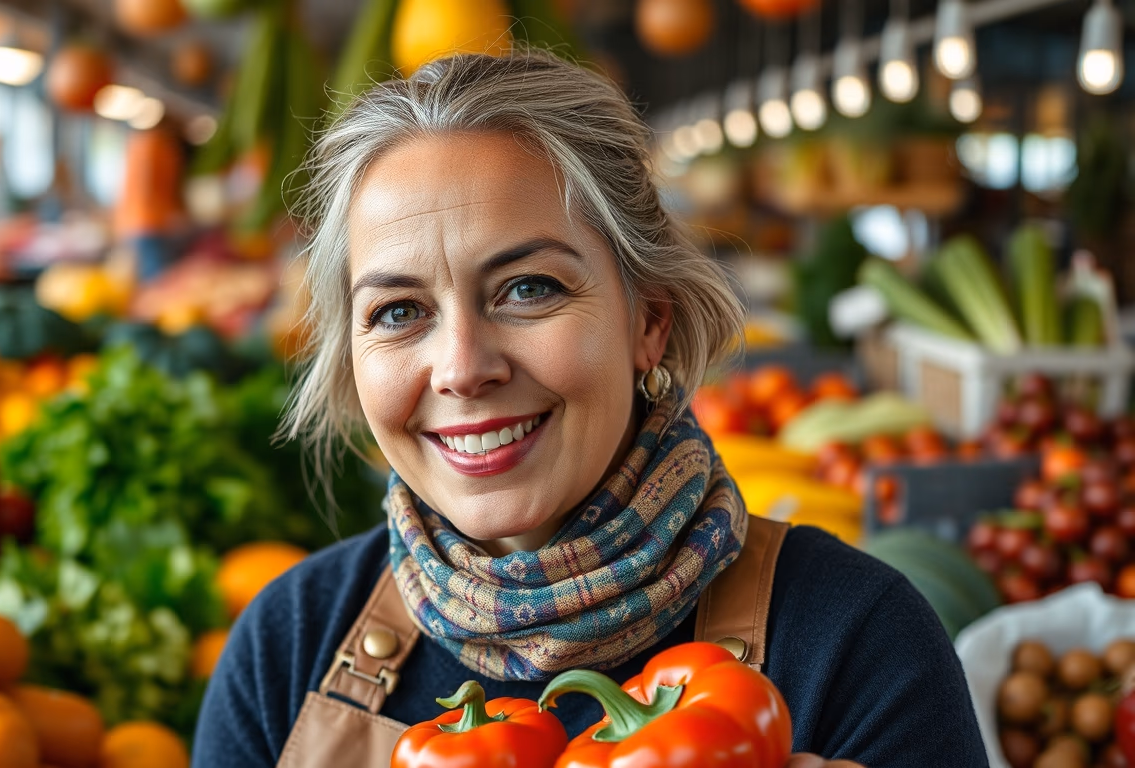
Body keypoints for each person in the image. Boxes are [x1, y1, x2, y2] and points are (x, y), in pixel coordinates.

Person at [193, 49, 988, 768]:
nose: (462, 369)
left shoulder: (861, 643)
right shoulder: (288, 646)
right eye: (399, 311)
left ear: (649, 321)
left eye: (528, 288)